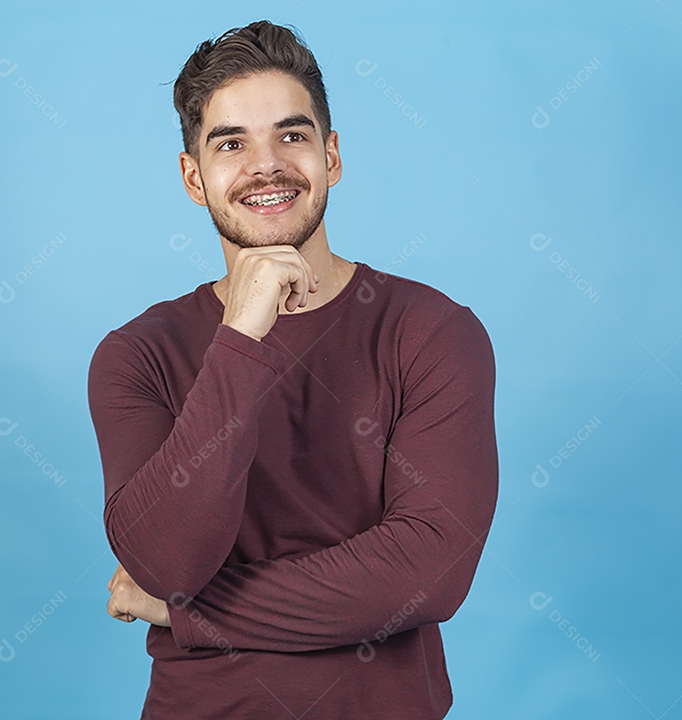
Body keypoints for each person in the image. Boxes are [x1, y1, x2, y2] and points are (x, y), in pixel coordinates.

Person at [87, 19, 498, 719]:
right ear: (194, 178)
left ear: (331, 157)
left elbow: (427, 574)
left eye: (292, 135)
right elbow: (167, 562)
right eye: (231, 144)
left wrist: (185, 612)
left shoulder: (433, 333)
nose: (266, 164)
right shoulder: (136, 356)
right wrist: (243, 335)